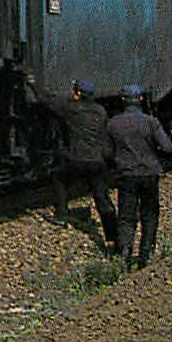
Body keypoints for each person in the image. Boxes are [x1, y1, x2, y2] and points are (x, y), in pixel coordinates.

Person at [105, 84, 172, 271]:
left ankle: (125, 253)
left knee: (126, 216)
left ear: (122, 100)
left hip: (126, 174)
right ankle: (145, 254)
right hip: (149, 173)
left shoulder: (113, 123)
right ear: (141, 99)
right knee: (150, 214)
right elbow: (168, 147)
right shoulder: (151, 122)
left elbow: (107, 152)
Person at [45, 79, 119, 251]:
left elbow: (48, 102)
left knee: (59, 177)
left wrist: (32, 84)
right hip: (96, 162)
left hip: (76, 160)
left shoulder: (71, 109)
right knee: (102, 199)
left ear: (77, 93)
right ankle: (113, 238)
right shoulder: (101, 111)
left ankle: (61, 215)